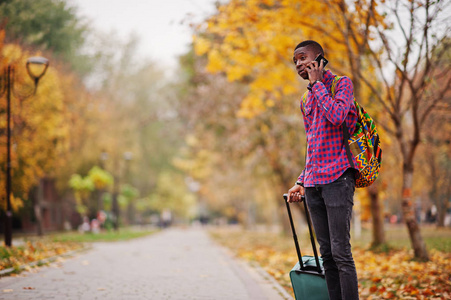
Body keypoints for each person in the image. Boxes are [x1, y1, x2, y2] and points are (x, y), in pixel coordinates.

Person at [287, 40, 360, 300]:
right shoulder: (305, 98)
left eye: (303, 57)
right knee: (326, 254)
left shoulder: (341, 83)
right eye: (295, 60)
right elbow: (313, 144)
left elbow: (337, 116)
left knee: (341, 253)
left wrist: (318, 85)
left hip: (339, 178)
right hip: (315, 183)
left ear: (319, 58)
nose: (298, 64)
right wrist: (301, 181)